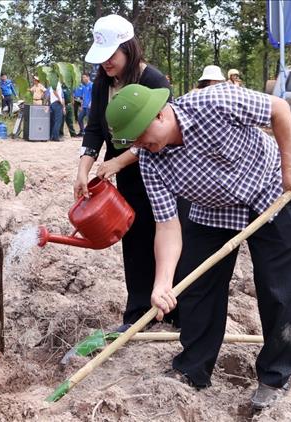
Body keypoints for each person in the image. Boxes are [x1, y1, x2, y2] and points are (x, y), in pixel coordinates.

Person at [105, 82, 291, 409]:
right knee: (197, 287)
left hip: (267, 190)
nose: (142, 145)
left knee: (279, 288)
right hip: (212, 208)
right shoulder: (149, 160)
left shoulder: (215, 101)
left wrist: (289, 169)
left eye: (143, 136)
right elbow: (168, 225)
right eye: (134, 142)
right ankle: (193, 368)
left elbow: (279, 110)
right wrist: (162, 284)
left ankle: (276, 375)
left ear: (161, 114)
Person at [75, 14, 181, 329]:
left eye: (112, 56)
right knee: (133, 238)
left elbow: (157, 137)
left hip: (159, 169)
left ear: (128, 48)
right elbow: (94, 129)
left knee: (165, 235)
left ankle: (174, 311)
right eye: (102, 57)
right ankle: (137, 313)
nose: (106, 63)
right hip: (126, 178)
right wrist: (84, 169)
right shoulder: (101, 81)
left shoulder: (154, 81)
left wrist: (117, 162)